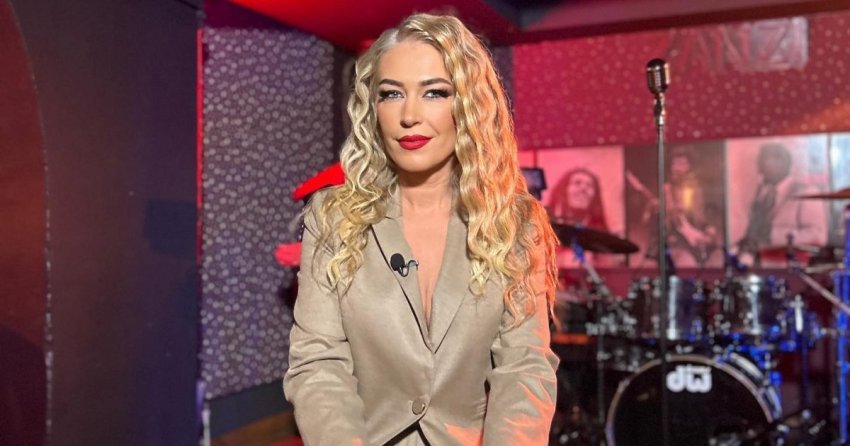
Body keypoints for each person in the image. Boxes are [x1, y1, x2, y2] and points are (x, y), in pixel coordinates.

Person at [283, 13, 560, 446]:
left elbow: (524, 368)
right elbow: (318, 364)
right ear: (373, 108)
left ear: (468, 104)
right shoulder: (332, 216)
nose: (409, 115)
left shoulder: (515, 223)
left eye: (435, 92)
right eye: (392, 94)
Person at [738, 142, 827, 264]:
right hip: (762, 266)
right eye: (761, 161)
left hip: (793, 268)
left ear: (785, 164)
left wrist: (772, 234)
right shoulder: (762, 196)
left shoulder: (806, 193)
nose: (762, 168)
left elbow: (818, 236)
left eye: (771, 160)